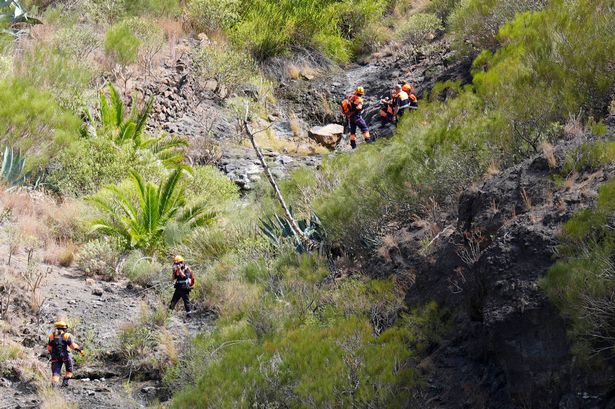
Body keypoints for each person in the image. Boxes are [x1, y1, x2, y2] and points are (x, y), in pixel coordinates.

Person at [47, 321, 83, 387]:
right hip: (65, 356)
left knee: (56, 372)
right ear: (64, 328)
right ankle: (65, 382)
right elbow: (72, 346)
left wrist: (53, 354)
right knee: (69, 369)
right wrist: (80, 350)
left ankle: (54, 385)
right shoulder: (66, 335)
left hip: (55, 357)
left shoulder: (51, 336)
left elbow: (49, 348)